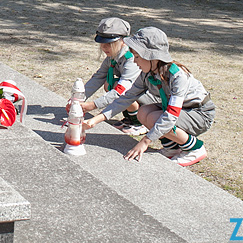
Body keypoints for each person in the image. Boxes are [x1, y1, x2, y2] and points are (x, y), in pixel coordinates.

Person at [83, 28, 215, 167]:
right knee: (143, 112)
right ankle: (172, 148)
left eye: (138, 56)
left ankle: (195, 148)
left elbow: (171, 115)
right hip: (182, 111)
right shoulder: (147, 73)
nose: (134, 61)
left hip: (199, 113)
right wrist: (95, 120)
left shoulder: (177, 76)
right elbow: (126, 98)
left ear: (152, 57)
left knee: (155, 117)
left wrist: (145, 141)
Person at [77, 17, 146, 136]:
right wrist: (79, 98)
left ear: (123, 41)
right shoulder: (113, 56)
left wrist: (94, 105)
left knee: (119, 89)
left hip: (148, 97)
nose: (104, 48)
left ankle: (138, 123)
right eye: (102, 43)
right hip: (135, 92)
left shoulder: (131, 59)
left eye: (109, 44)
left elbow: (123, 89)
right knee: (109, 84)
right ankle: (129, 117)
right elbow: (99, 77)